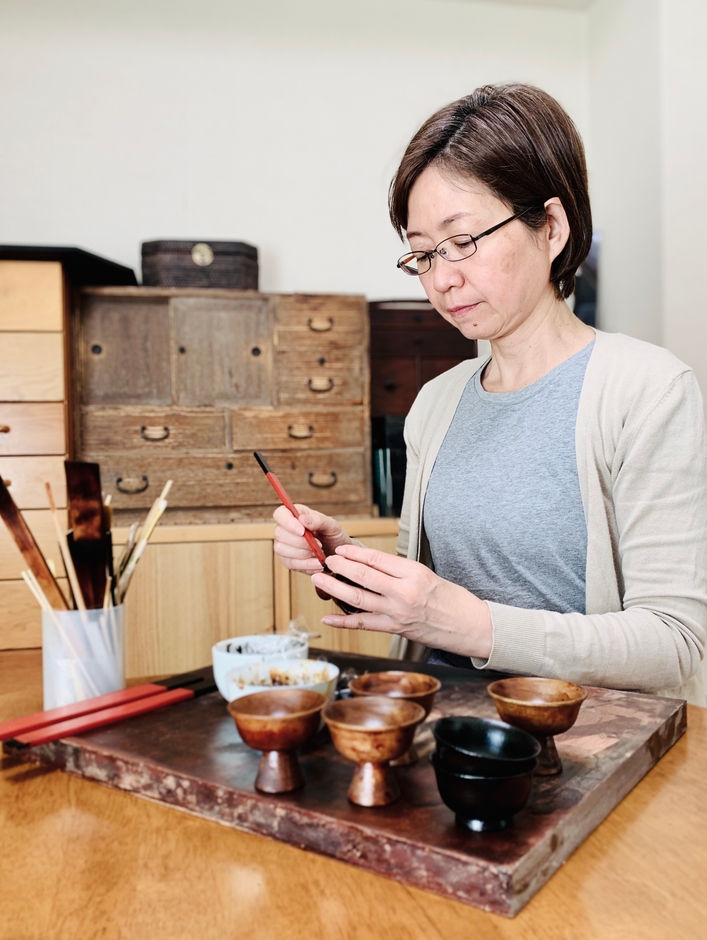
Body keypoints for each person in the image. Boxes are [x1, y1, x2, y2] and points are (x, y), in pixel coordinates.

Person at [273, 83, 707, 705]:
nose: (444, 279)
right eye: (422, 255)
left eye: (463, 241)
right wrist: (349, 565)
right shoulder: (437, 403)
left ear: (550, 227)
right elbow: (424, 600)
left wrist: (478, 626)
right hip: (449, 734)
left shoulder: (648, 390)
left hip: (588, 744)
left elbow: (674, 642)